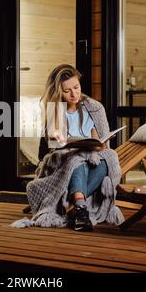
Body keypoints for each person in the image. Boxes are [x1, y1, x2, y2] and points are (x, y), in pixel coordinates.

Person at [38, 64, 110, 231]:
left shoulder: (93, 109)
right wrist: (57, 140)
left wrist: (99, 145)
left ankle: (73, 207)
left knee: (106, 163)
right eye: (67, 90)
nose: (74, 94)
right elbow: (51, 150)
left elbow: (99, 141)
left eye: (76, 87)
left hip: (91, 161)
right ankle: (80, 207)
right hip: (64, 163)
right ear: (58, 92)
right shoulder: (54, 111)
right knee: (77, 160)